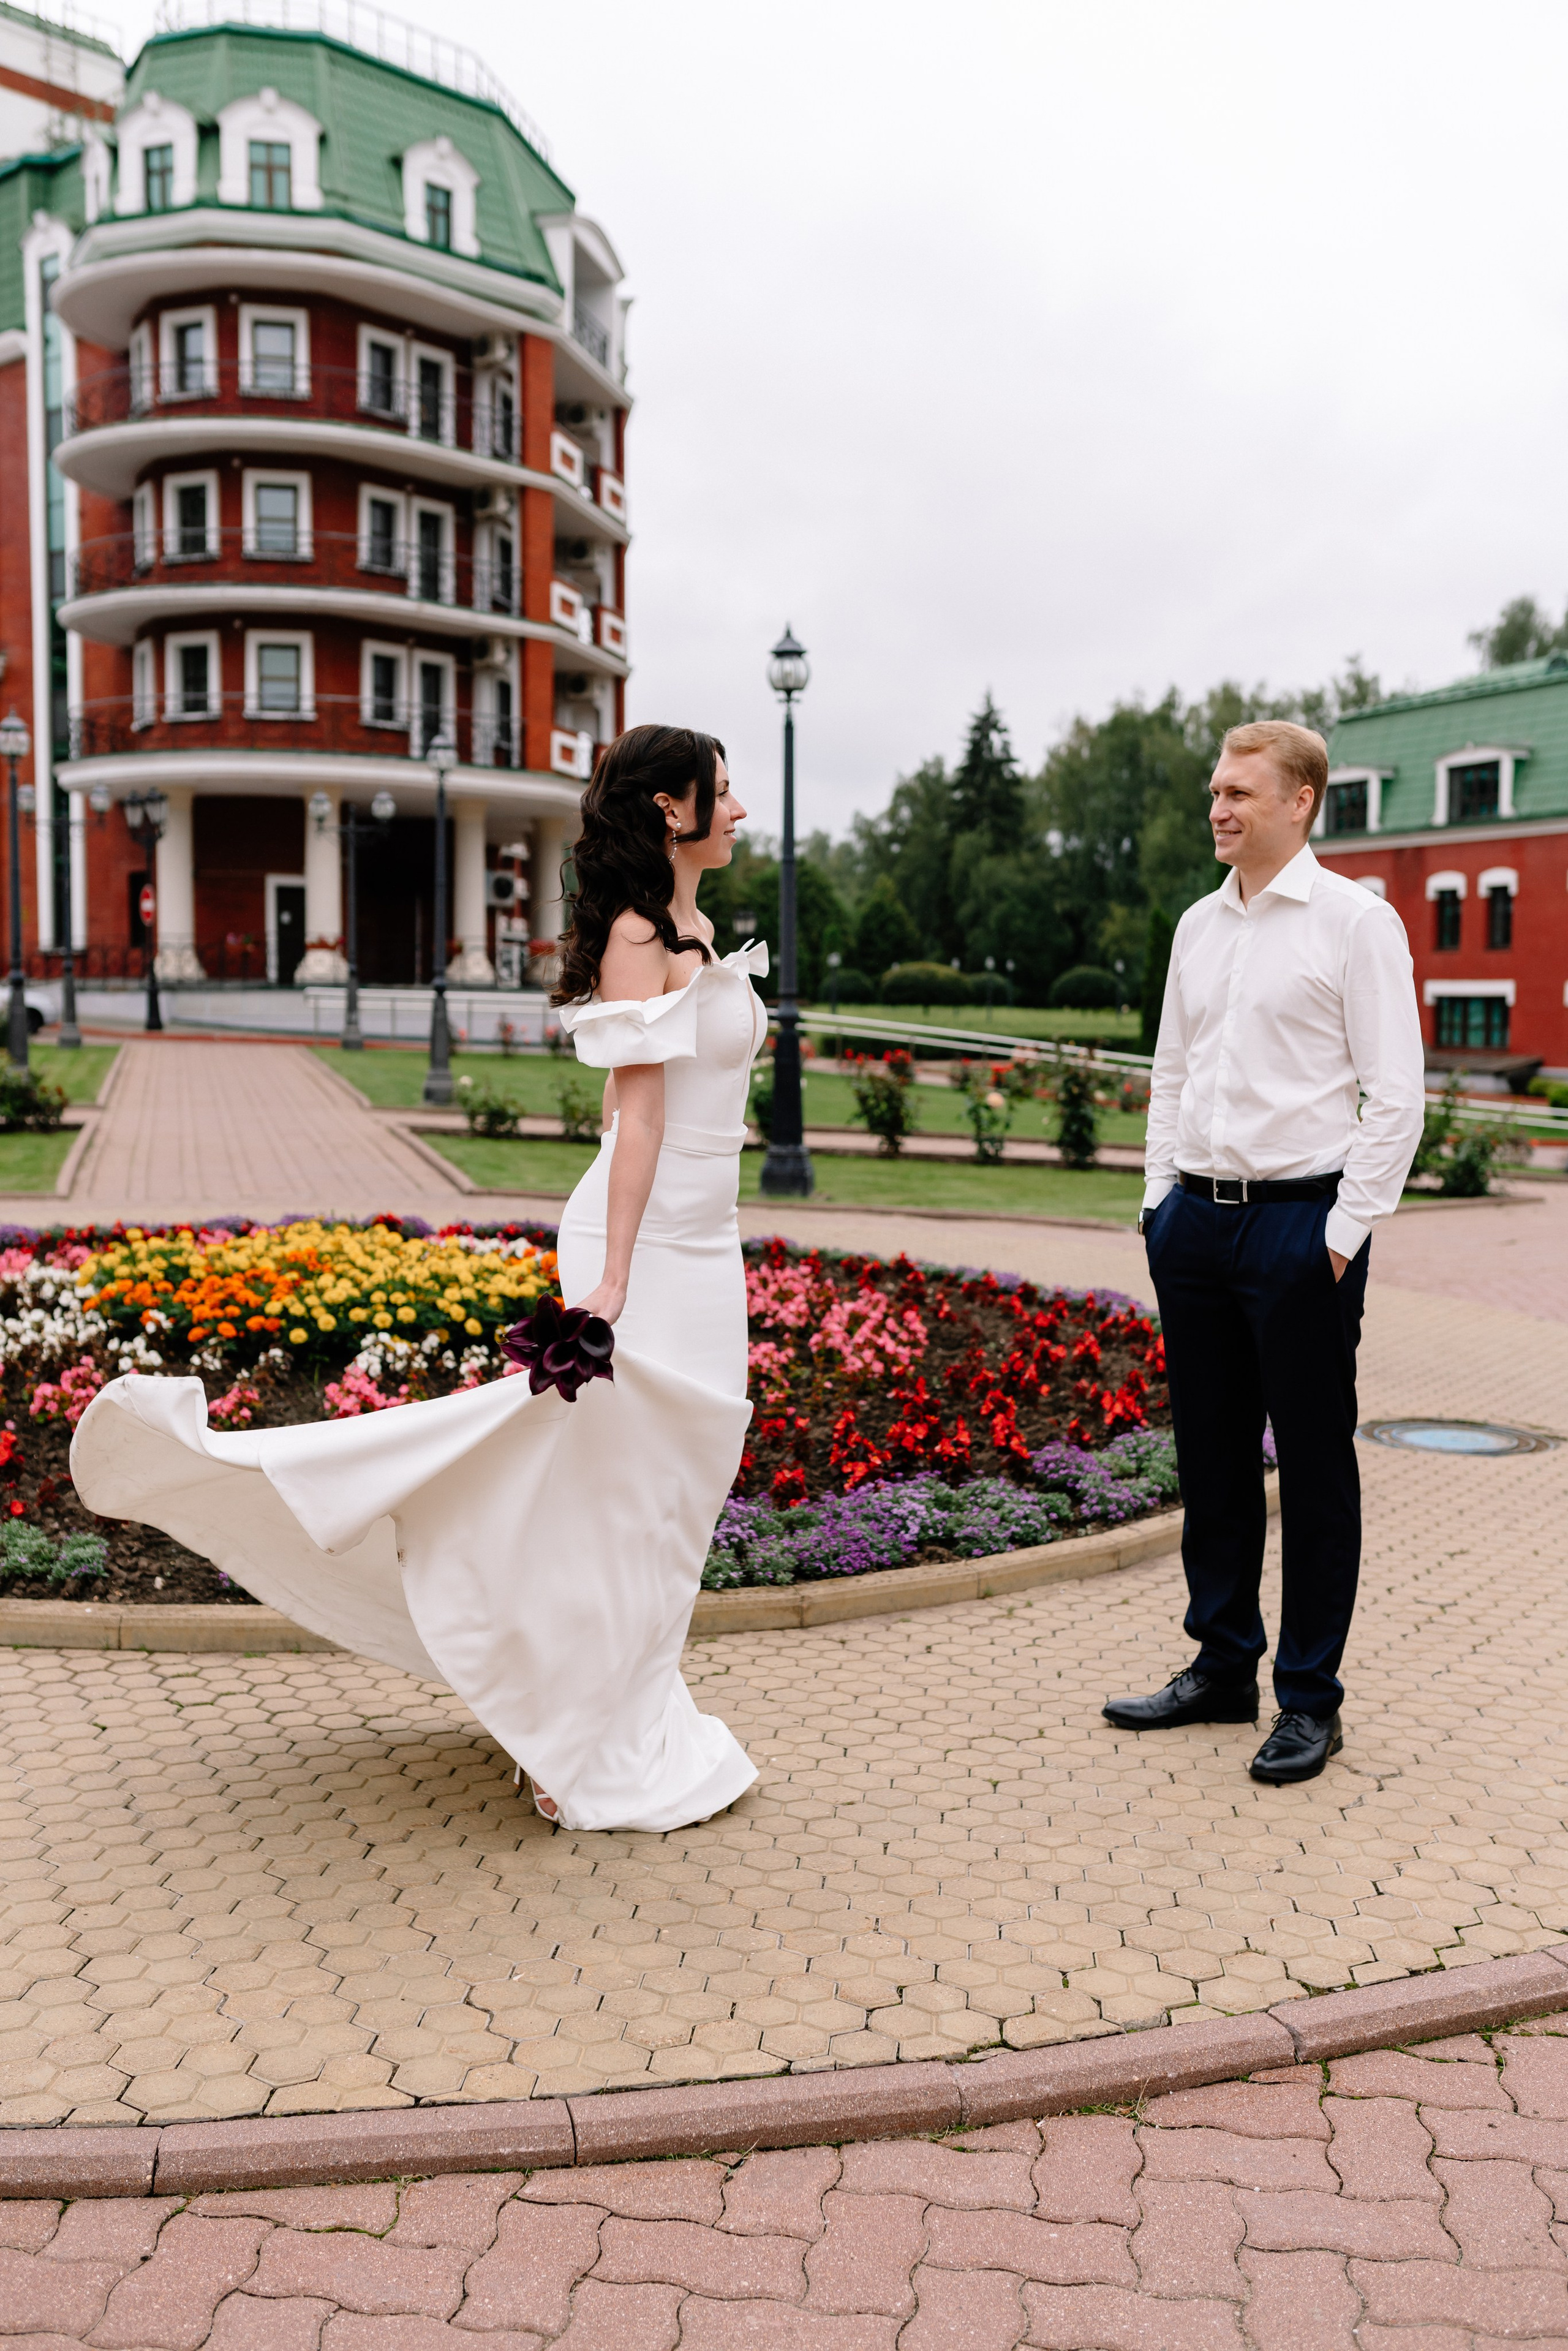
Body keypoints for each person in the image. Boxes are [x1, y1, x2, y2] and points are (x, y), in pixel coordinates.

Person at [71, 724, 764, 1836]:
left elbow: (670, 1108)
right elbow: (631, 1120)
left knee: (678, 1494)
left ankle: (622, 1707)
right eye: (721, 793)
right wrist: (615, 1278)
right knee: (622, 1497)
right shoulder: (643, 936)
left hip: (705, 1243)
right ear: (669, 812)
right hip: (643, 1249)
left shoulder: (695, 927)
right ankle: (569, 1733)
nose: (739, 810)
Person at [1103, 720, 1425, 1783]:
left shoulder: (1355, 923)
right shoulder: (1199, 924)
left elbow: (1398, 1099)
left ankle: (1309, 1699)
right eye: (1215, 790)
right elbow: (1170, 1074)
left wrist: (1339, 1236)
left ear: (1302, 802)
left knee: (1317, 1470)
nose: (1219, 807)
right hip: (1196, 1221)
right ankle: (1222, 1665)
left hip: (1302, 1225)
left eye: (1242, 791)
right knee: (1213, 1455)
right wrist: (1159, 1206)